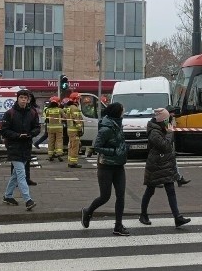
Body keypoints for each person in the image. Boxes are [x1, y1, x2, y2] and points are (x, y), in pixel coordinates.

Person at [81, 102, 130, 236]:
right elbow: (96, 146)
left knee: (121, 195)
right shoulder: (107, 128)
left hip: (119, 166)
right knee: (105, 196)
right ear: (117, 112)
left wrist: (124, 149)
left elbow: (118, 142)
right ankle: (88, 211)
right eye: (122, 109)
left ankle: (118, 226)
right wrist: (113, 151)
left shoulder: (117, 124)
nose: (124, 111)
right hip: (106, 166)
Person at [139, 107, 191, 228]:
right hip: (156, 165)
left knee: (171, 191)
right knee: (150, 190)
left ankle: (177, 217)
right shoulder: (154, 132)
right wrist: (169, 133)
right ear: (162, 120)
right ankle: (143, 214)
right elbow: (165, 146)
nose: (169, 122)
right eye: (167, 120)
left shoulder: (160, 128)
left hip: (165, 164)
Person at [0, 89, 40, 211]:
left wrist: (30, 134)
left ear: (28, 100)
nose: (23, 100)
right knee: (21, 174)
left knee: (15, 175)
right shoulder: (10, 113)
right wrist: (17, 135)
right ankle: (28, 200)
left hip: (26, 147)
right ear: (17, 98)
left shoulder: (32, 113)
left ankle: (7, 196)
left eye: (25, 98)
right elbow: (4, 130)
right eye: (21, 97)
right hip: (14, 147)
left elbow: (37, 128)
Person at [66, 92, 84, 168]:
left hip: (70, 130)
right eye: (79, 99)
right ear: (75, 99)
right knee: (75, 147)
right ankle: (73, 163)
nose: (79, 100)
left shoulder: (69, 107)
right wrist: (80, 129)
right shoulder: (74, 108)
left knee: (71, 146)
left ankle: (70, 161)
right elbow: (76, 119)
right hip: (74, 130)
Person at [44, 97, 65, 162]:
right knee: (59, 141)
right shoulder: (60, 110)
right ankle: (59, 154)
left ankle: (50, 155)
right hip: (58, 128)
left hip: (50, 128)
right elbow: (64, 117)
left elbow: (46, 118)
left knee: (51, 141)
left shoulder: (48, 110)